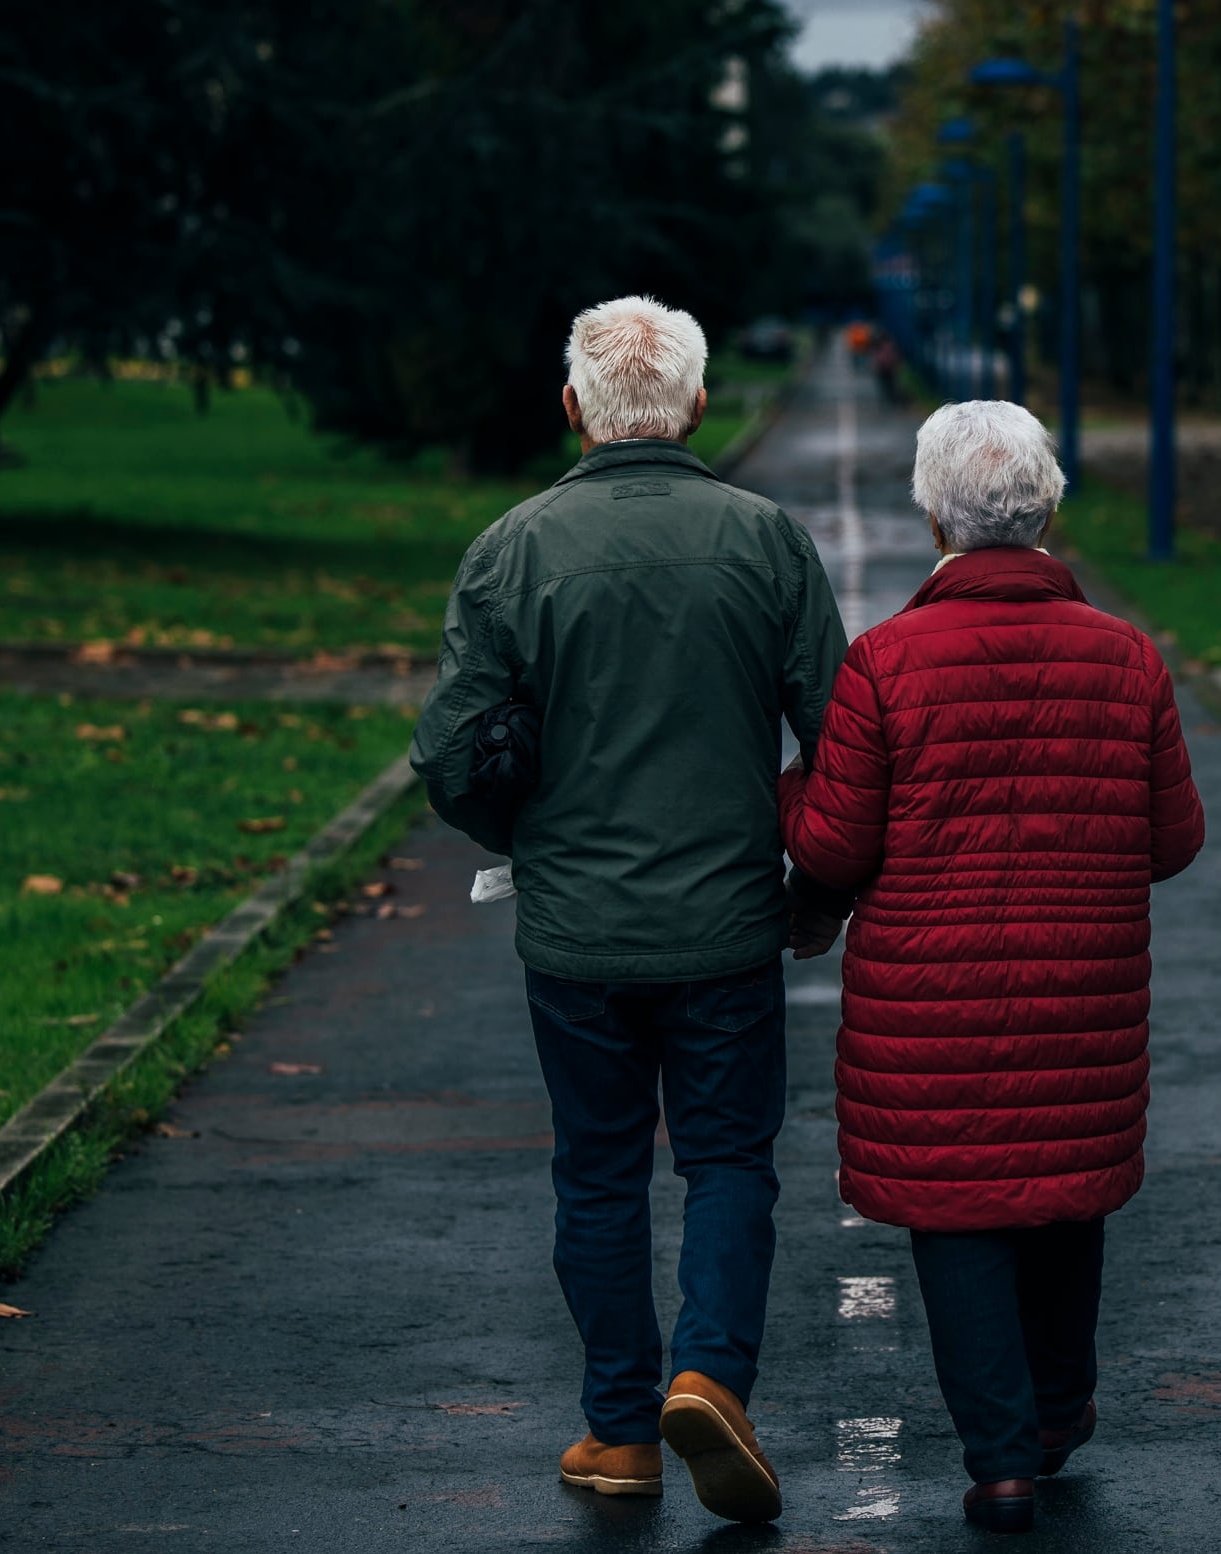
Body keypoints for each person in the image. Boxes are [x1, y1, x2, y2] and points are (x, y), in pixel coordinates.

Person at [411, 295, 849, 1525]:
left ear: (573, 409)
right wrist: (814, 891)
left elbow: (447, 755)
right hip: (723, 927)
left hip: (577, 933)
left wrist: (524, 839)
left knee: (596, 1174)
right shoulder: (765, 540)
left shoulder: (512, 548)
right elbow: (839, 740)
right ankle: (708, 1372)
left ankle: (617, 1431)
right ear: (699, 406)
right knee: (725, 1160)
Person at [776, 400, 1206, 1533]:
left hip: (931, 1010)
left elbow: (832, 847)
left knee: (959, 1210)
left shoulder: (884, 664)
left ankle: (1002, 1461)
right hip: (1084, 994)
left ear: (931, 521)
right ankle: (1060, 1412)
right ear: (1050, 510)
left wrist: (785, 793)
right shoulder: (1128, 657)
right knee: (1067, 1190)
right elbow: (1175, 840)